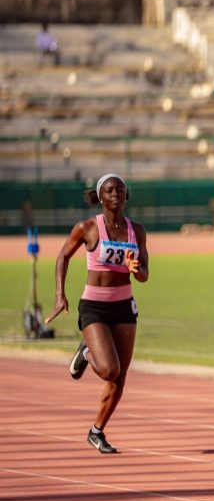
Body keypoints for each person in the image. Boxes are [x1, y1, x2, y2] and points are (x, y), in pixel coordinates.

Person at [45, 174, 150, 454]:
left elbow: (144, 275)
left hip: (124, 306)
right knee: (108, 369)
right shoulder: (88, 227)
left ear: (127, 196)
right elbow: (62, 256)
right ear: (100, 197)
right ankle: (87, 352)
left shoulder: (136, 231)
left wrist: (135, 268)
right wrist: (59, 294)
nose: (115, 194)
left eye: (120, 190)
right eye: (109, 190)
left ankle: (97, 431)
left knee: (120, 376)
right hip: (94, 305)